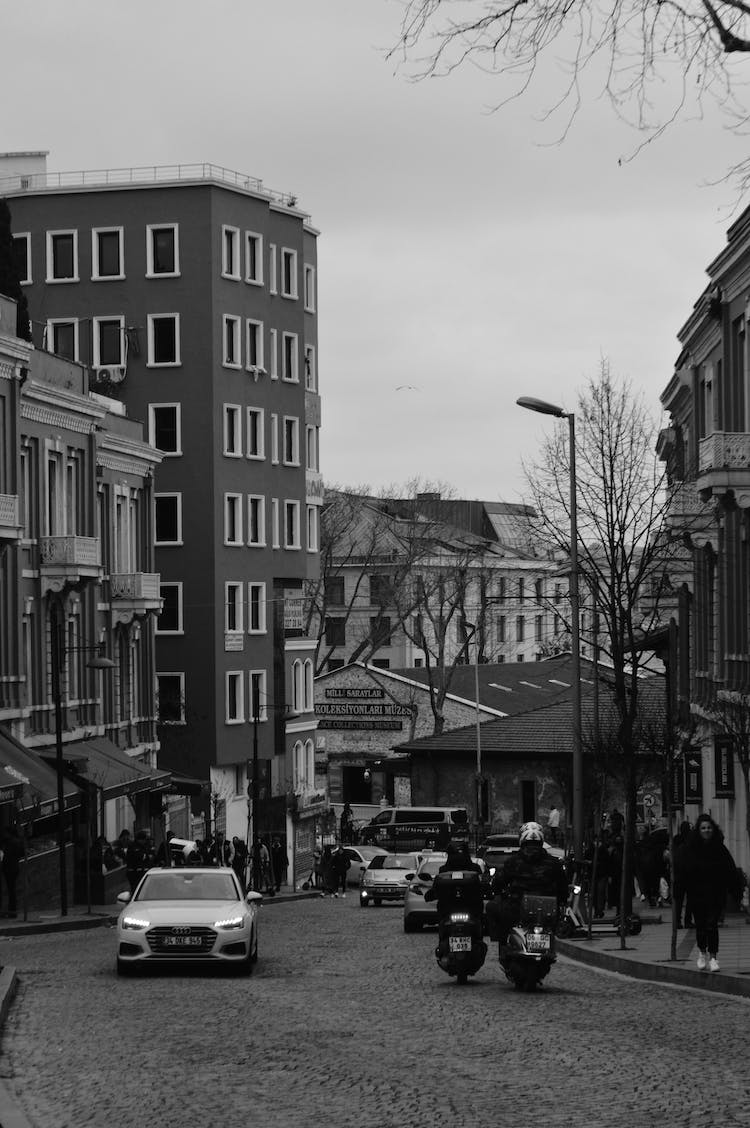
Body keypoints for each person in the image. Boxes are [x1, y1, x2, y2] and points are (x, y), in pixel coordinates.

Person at [487, 822, 568, 945]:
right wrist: (560, 901)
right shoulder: (554, 863)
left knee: (492, 908)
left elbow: (499, 882)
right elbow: (563, 887)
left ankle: (502, 944)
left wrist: (496, 892)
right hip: (546, 910)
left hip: (518, 908)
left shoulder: (513, 862)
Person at [680, 813, 742, 972]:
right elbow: (683, 871)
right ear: (698, 830)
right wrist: (679, 890)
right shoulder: (690, 849)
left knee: (712, 925)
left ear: (713, 829)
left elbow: (730, 869)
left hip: (715, 893)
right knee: (700, 925)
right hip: (697, 894)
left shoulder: (719, 848)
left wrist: (736, 890)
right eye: (703, 828)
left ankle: (713, 957)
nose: (706, 830)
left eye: (709, 828)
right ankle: (702, 952)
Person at [424, 843, 484, 939]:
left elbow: (436, 888)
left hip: (462, 909)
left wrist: (431, 895)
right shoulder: (474, 868)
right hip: (461, 909)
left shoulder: (444, 869)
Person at [671, 820, 693, 928]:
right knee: (690, 900)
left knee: (678, 900)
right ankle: (687, 921)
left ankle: (677, 921)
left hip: (679, 875)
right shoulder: (691, 840)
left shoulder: (676, 840)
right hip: (689, 875)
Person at [1, 826, 23, 918]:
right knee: (11, 890)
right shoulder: (16, 841)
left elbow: (6, 854)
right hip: (14, 867)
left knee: (11, 890)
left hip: (10, 868)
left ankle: (12, 911)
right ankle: (11, 911)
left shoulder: (10, 842)